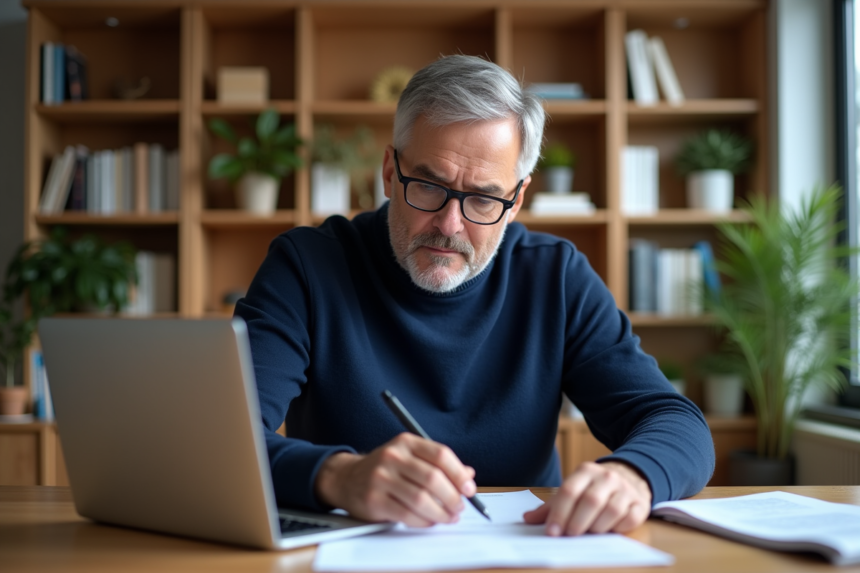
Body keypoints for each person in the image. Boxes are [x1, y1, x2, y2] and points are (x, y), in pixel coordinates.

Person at [234, 54, 714, 537]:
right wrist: (338, 476)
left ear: (516, 200)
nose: (450, 225)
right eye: (429, 186)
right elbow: (224, 437)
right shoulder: (306, 266)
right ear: (390, 172)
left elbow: (675, 421)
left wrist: (632, 476)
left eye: (483, 199)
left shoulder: (555, 275)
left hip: (529, 549)